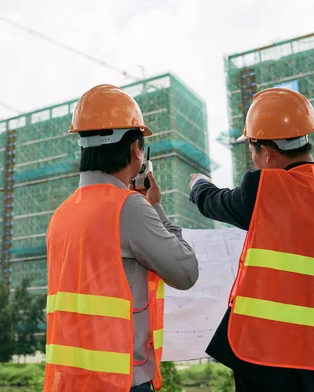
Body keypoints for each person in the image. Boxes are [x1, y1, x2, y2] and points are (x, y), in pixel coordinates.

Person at [188, 88, 314, 392]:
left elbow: (214, 201)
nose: (253, 162)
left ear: (265, 151)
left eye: (251, 153)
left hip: (268, 362)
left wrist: (197, 184)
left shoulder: (263, 191)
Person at [44, 84, 199, 392]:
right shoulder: (130, 208)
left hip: (69, 381)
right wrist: (154, 205)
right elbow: (185, 272)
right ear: (134, 150)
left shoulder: (60, 215)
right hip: (121, 382)